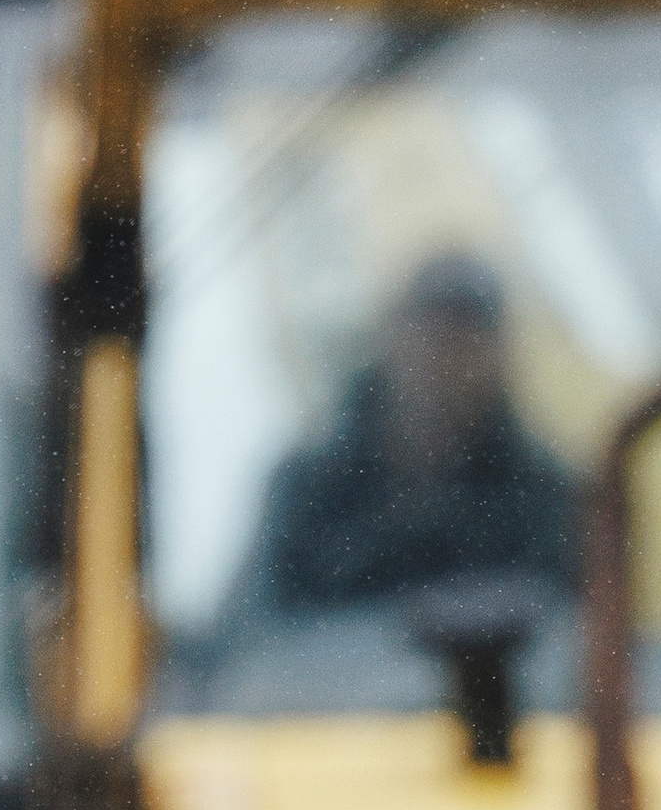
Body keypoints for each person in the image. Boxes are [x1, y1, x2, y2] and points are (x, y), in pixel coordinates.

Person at [242, 249, 579, 616]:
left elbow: (582, 636)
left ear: (499, 357)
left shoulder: (543, 492)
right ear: (391, 336)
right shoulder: (308, 488)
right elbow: (250, 632)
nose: (445, 360)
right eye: (433, 334)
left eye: (468, 338)